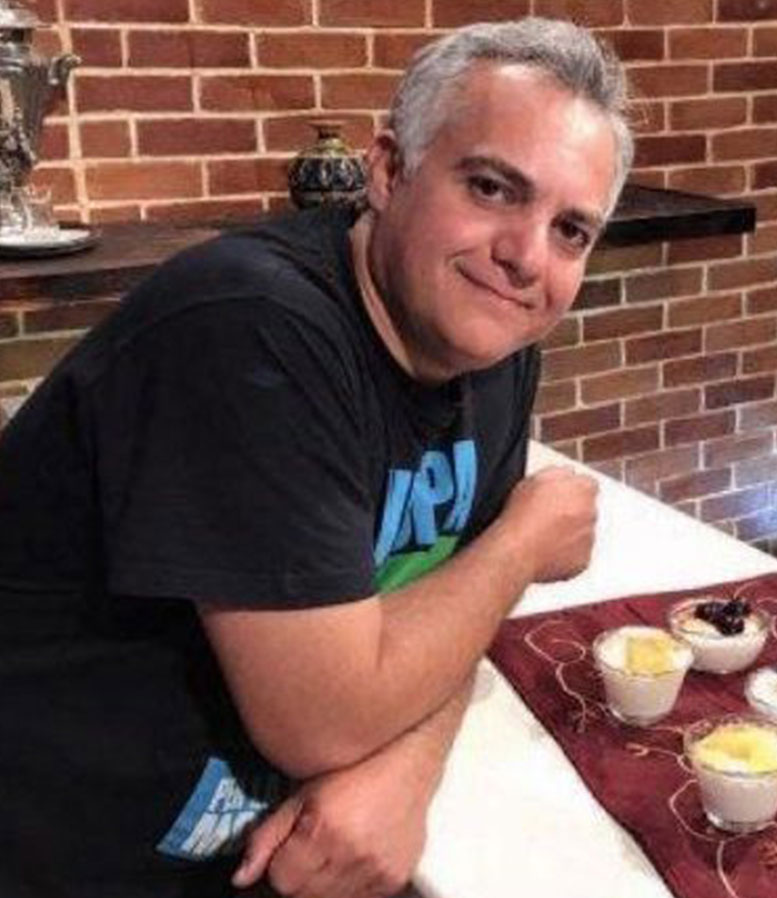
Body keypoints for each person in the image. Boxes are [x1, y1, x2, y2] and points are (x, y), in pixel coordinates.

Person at [0, 17, 632, 898]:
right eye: (491, 188)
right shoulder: (250, 329)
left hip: (268, 847)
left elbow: (453, 603)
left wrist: (406, 766)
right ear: (388, 171)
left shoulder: (493, 346)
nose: (526, 257)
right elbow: (323, 719)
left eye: (570, 231)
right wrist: (522, 544)